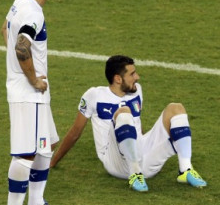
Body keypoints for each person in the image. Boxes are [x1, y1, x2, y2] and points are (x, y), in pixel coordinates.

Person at [50, 55, 207, 192]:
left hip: (142, 158)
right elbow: (75, 132)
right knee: (124, 112)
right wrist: (53, 162)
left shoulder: (137, 90)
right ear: (118, 78)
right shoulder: (94, 95)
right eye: (132, 74)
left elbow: (137, 126)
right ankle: (135, 174)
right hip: (115, 162)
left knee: (176, 108)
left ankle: (185, 170)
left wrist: (145, 145)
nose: (137, 77)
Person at [3, 0, 68, 205]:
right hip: (28, 93)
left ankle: (36, 204)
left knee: (44, 148)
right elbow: (21, 46)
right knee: (26, 153)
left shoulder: (21, 0)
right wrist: (32, 79)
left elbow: (5, 28)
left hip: (35, 94)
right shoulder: (33, 13)